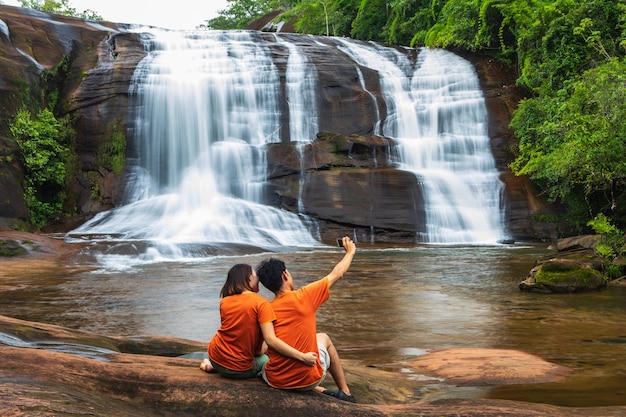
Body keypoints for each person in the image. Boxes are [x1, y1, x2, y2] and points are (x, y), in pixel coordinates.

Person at [255, 236, 357, 402]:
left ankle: (319, 390)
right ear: (285, 275)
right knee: (324, 338)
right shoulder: (305, 296)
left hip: (276, 381)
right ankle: (344, 391)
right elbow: (337, 273)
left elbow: (261, 347)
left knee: (266, 361)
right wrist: (350, 252)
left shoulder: (265, 308)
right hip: (309, 378)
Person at [200, 263, 317, 379]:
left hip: (215, 355)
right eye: (256, 276)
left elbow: (237, 336)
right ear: (249, 278)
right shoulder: (261, 303)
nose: (259, 280)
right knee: (269, 360)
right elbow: (270, 340)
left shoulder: (224, 301)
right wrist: (302, 357)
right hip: (239, 369)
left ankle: (212, 366)